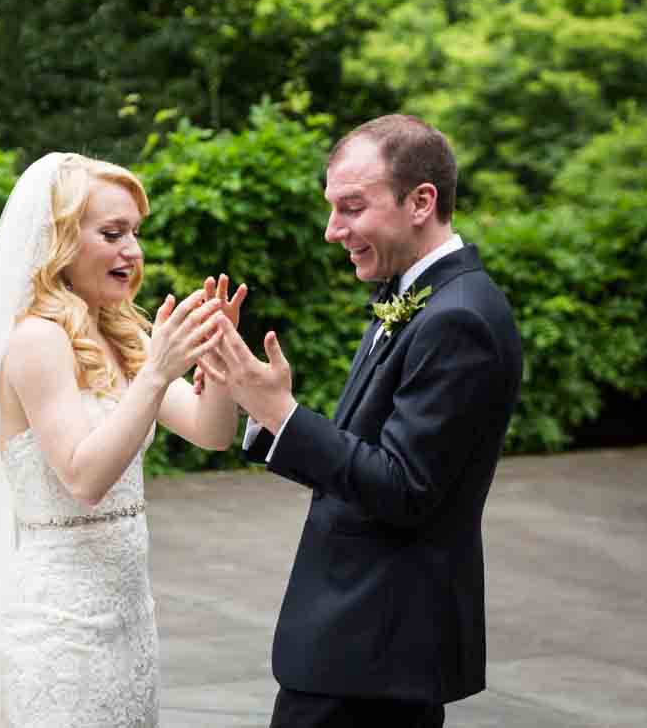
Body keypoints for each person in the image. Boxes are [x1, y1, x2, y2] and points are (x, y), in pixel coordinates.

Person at [199, 115, 523, 727]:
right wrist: (262, 411)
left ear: (421, 201)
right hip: (360, 648)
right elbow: (360, 457)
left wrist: (282, 412)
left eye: (352, 207)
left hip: (377, 645)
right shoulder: (414, 295)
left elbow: (403, 488)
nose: (332, 230)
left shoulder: (460, 319)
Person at [0, 152, 246, 727]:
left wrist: (218, 364)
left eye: (135, 234)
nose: (132, 251)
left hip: (129, 619)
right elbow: (84, 476)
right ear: (61, 242)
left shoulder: (122, 335)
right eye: (112, 233)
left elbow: (211, 433)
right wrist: (159, 372)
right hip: (60, 623)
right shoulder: (37, 341)